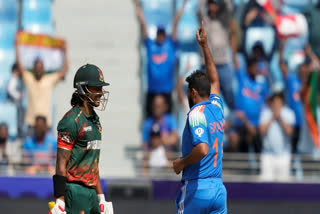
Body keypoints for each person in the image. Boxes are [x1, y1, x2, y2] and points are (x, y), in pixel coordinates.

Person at [173, 22, 226, 214]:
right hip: (218, 189)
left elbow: (202, 149)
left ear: (193, 92)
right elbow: (215, 80)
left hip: (197, 187)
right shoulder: (217, 107)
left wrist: (181, 163)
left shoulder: (196, 113)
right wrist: (204, 46)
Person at [50, 64, 113, 214]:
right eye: (96, 88)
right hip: (75, 191)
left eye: (100, 88)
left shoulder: (95, 120)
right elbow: (61, 162)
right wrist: (60, 199)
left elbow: (93, 164)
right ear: (83, 89)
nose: (100, 93)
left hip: (91, 193)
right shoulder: (72, 121)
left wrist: (101, 197)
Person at [134, 0, 187, 116]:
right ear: (157, 34)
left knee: (167, 119)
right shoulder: (150, 45)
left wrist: (183, 6)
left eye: (162, 34)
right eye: (159, 33)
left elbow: (175, 23)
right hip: (152, 89)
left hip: (166, 90)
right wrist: (137, 7)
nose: (161, 36)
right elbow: (143, 24)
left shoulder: (170, 45)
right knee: (151, 119)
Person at [15, 40, 69, 130]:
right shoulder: (29, 79)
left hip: (45, 124)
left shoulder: (49, 79)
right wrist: (17, 46)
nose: (39, 69)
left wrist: (64, 52)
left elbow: (64, 70)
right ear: (34, 68)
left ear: (44, 68)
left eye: (41, 67)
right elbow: (19, 66)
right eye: (37, 67)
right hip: (31, 124)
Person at [197, 0, 238, 110]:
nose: (212, 6)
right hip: (205, 64)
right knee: (203, 95)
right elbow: (199, 8)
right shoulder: (204, 19)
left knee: (229, 94)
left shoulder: (224, 19)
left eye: (215, 4)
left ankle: (236, 119)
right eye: (210, 4)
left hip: (222, 63)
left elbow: (230, 7)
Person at [229, 57, 269, 153]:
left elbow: (268, 99)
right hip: (241, 124)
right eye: (254, 67)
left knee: (258, 151)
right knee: (241, 150)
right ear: (249, 68)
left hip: (256, 125)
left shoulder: (262, 83)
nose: (256, 69)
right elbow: (235, 61)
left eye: (257, 67)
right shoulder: (242, 78)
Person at [259, 91, 295, 181]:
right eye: (274, 102)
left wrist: (279, 118)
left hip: (284, 155)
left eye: (278, 102)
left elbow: (289, 132)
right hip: (268, 154)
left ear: (282, 102)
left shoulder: (289, 113)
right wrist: (272, 117)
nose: (276, 105)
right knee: (266, 184)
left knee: (283, 185)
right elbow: (261, 131)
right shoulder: (265, 113)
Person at [142, 94, 178, 169]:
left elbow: (175, 140)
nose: (156, 108)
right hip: (153, 157)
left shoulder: (170, 120)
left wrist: (159, 140)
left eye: (159, 106)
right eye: (155, 106)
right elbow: (145, 144)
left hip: (169, 158)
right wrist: (165, 139)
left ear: (165, 107)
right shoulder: (148, 123)